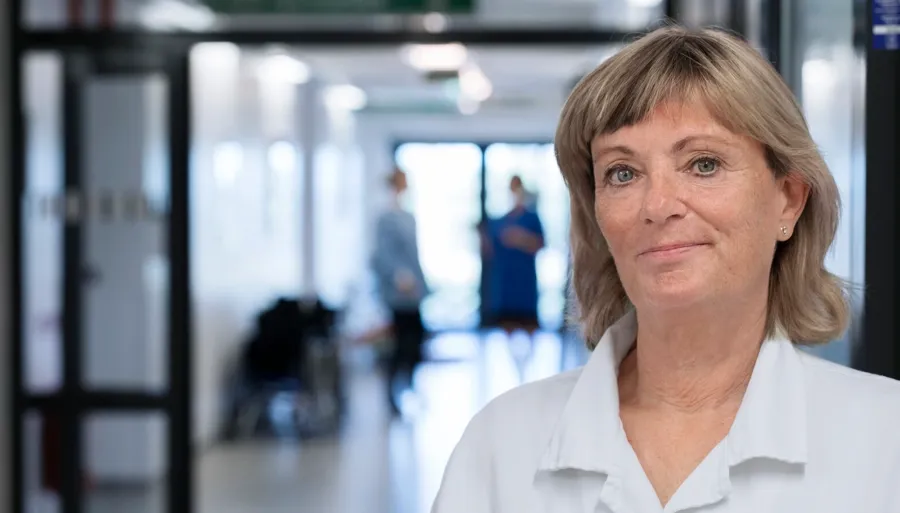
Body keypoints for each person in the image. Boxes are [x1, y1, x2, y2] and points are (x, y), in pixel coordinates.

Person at [432, 26, 900, 512]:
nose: (657, 205)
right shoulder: (501, 444)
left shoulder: (885, 438)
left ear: (788, 200)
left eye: (703, 164)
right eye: (623, 173)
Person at [372, 168, 428, 416]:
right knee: (400, 344)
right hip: (398, 293)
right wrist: (399, 277)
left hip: (413, 292)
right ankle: (393, 394)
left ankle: (407, 386)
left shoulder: (407, 215)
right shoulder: (386, 217)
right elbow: (381, 256)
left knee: (415, 341)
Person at [482, 176, 545, 336]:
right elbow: (489, 252)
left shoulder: (531, 218)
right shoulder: (498, 221)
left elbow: (540, 245)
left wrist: (521, 239)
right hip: (505, 284)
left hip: (525, 284)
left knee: (530, 328)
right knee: (506, 329)